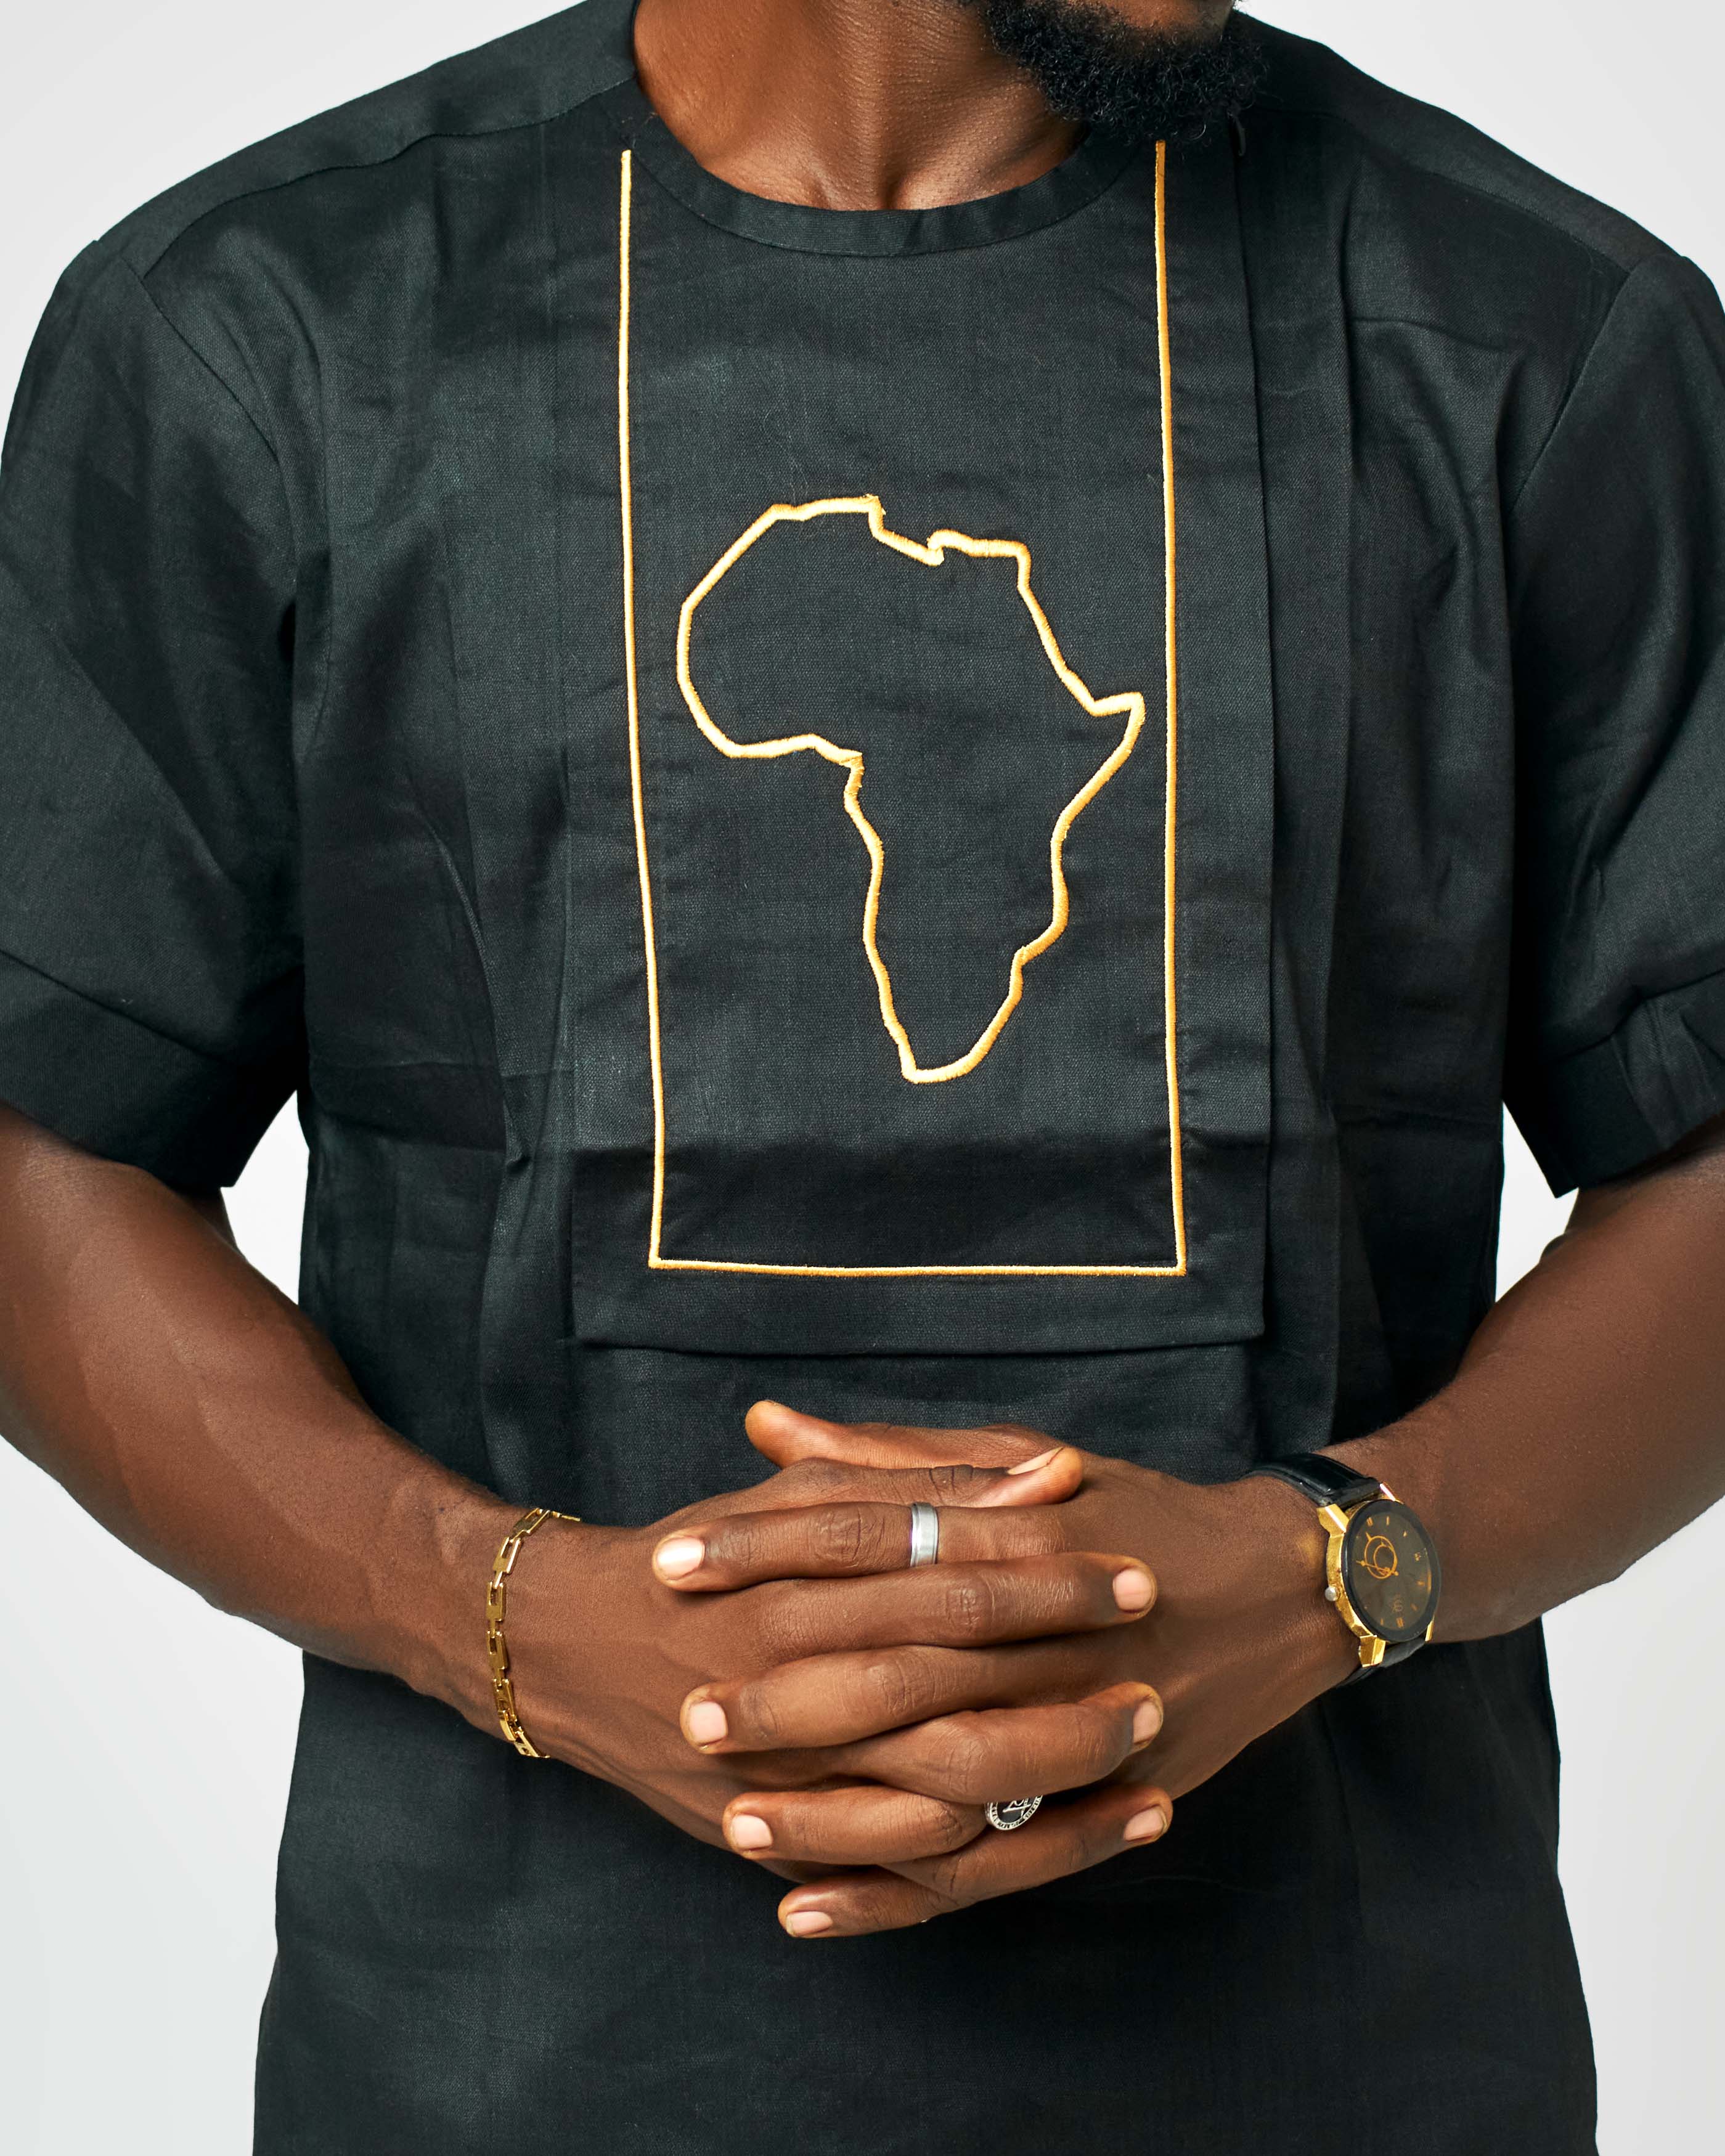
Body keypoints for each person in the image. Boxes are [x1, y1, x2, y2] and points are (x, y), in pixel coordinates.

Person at [2, 0, 1723, 2146]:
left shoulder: (1534, 341)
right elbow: (44, 1146)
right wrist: (508, 1619)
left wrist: (1331, 1573)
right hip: (512, 2063)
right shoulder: (273, 335)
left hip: (1345, 2060)